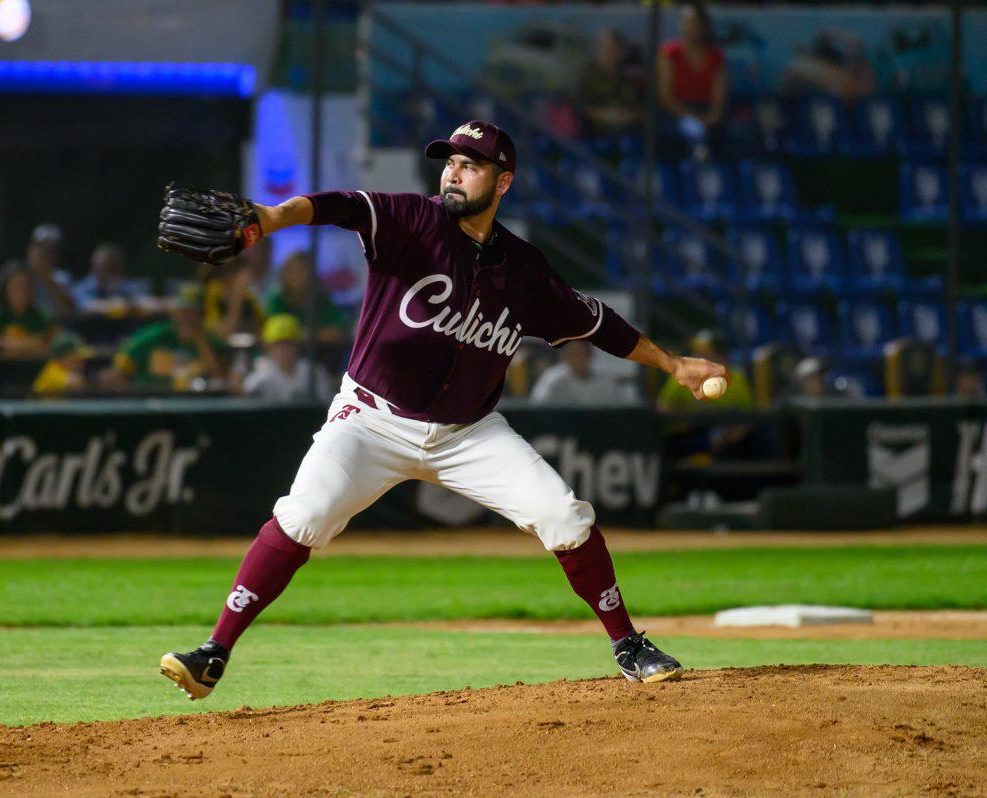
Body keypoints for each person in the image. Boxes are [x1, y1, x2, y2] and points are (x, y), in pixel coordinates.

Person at [158, 119, 728, 700]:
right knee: (304, 516)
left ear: (502, 182)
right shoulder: (412, 219)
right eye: (449, 162)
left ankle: (628, 645)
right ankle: (213, 653)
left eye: (470, 164)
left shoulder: (525, 269)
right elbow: (344, 205)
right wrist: (275, 217)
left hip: (469, 433)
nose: (453, 172)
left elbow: (597, 323)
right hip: (371, 420)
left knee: (565, 515)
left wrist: (674, 365)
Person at [105, 283, 224, 392]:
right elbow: (118, 372)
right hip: (150, 402)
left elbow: (219, 376)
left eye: (193, 312)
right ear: (174, 313)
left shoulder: (211, 341)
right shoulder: (154, 336)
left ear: (202, 316)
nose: (187, 318)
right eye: (182, 311)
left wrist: (200, 340)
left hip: (195, 405)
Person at [657, 1, 727, 158]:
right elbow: (666, 96)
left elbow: (718, 100)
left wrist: (711, 117)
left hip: (705, 110)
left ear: (704, 26)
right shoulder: (669, 53)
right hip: (677, 112)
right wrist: (690, 117)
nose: (689, 28)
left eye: (694, 23)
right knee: (693, 133)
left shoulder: (716, 56)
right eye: (685, 22)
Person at [264, 251, 347, 344]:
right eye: (291, 270)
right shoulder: (277, 298)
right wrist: (310, 334)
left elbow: (337, 331)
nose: (296, 276)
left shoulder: (320, 297)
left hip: (319, 352)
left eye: (301, 270)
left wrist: (304, 334)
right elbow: (276, 332)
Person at [242, 315, 330, 401]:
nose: (283, 349)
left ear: (297, 345)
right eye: (278, 344)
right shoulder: (263, 372)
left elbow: (325, 404)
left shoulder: (313, 371)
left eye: (289, 343)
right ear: (268, 346)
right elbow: (245, 393)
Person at [0, 262, 57, 355]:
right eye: (17, 286)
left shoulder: (42, 318)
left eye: (26, 286)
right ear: (5, 289)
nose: (22, 291)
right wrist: (32, 344)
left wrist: (4, 343)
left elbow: (53, 345)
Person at [578, 28, 644, 137]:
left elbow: (641, 108)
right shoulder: (588, 74)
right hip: (594, 132)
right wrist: (609, 116)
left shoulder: (632, 76)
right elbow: (582, 106)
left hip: (628, 131)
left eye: (610, 48)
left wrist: (628, 116)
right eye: (601, 48)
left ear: (620, 51)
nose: (605, 53)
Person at [530, 341, 639, 404]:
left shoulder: (606, 380)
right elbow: (537, 408)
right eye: (572, 354)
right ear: (564, 357)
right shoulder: (552, 379)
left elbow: (619, 411)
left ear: (589, 354)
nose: (577, 358)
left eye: (580, 354)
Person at [203, 258, 267, 341]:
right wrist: (237, 295)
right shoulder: (213, 291)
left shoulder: (249, 296)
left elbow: (264, 331)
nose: (230, 277)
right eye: (224, 270)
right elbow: (225, 333)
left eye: (235, 269)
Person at [72, 243, 145, 312]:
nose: (110, 271)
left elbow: (146, 301)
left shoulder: (124, 286)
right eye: (106, 266)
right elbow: (84, 304)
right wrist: (115, 304)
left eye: (114, 267)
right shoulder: (82, 287)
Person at [26, 224, 77, 319]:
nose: (46, 254)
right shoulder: (21, 276)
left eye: (51, 250)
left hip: (57, 328)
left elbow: (70, 311)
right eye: (41, 248)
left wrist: (46, 277)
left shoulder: (62, 277)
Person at [32, 332, 92, 397]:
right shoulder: (52, 372)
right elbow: (76, 383)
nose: (82, 362)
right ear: (62, 357)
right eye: (77, 358)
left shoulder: (60, 369)